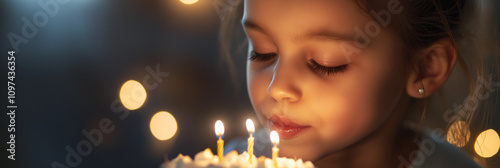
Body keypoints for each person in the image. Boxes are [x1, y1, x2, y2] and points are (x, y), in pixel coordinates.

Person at [219, 0, 500, 167]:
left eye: (326, 63)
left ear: (425, 68)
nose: (277, 87)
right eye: (262, 51)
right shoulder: (231, 160)